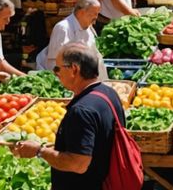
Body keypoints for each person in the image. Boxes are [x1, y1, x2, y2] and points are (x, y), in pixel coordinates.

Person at [12, 44, 129, 189]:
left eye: (57, 68)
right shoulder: (108, 93)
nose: (56, 73)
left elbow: (78, 164)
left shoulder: (81, 111)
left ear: (74, 69)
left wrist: (39, 151)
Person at [36, 0, 108, 80]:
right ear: (81, 13)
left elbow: (95, 58)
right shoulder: (63, 28)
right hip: (55, 76)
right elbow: (55, 62)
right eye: (94, 13)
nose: (96, 17)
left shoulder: (89, 30)